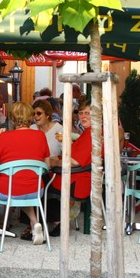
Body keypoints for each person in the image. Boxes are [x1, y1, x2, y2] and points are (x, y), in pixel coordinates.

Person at [0, 101, 50, 246]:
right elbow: (47, 165)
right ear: (31, 117)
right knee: (23, 193)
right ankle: (35, 222)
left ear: (12, 119)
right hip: (36, 190)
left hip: (8, 189)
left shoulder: (5, 137)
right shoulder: (41, 136)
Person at [47, 98, 93, 237]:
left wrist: (54, 163)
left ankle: (53, 222)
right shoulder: (88, 132)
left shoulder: (92, 134)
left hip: (76, 181)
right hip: (74, 176)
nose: (83, 116)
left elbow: (74, 161)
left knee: (35, 184)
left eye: (87, 113)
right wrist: (57, 159)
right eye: (81, 113)